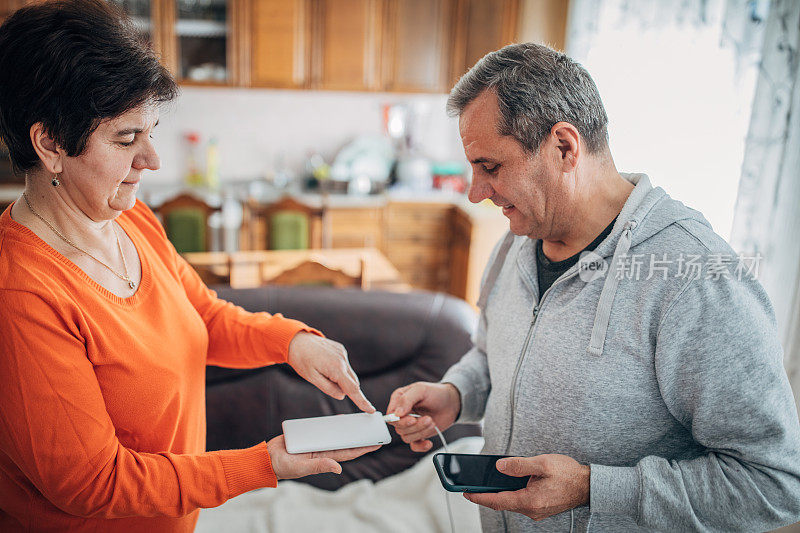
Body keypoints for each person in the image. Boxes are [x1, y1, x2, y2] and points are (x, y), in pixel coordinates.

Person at [388, 42, 800, 532]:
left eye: (490, 167)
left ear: (564, 147)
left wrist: (592, 488)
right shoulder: (517, 242)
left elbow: (773, 483)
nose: (476, 193)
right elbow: (490, 351)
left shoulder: (697, 278)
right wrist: (456, 394)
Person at [0, 1, 379, 531]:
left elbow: (203, 316)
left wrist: (293, 341)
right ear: (50, 144)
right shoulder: (20, 292)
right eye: (127, 138)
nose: (152, 160)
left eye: (150, 131)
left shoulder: (130, 219)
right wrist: (261, 464)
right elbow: (93, 483)